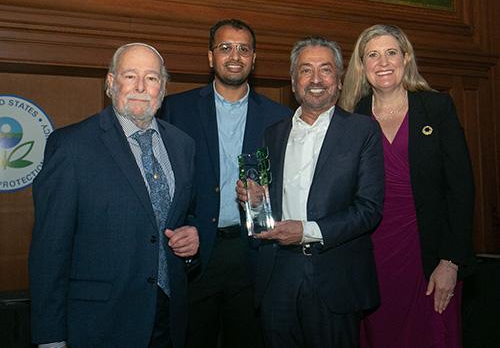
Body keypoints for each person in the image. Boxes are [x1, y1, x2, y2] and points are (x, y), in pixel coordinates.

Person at [29, 43, 199, 348]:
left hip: (168, 318)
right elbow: (49, 249)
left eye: (151, 78)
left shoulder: (183, 145)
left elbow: (184, 215)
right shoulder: (71, 147)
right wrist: (51, 337)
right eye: (130, 75)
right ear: (110, 83)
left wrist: (191, 235)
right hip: (100, 324)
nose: (140, 87)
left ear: (163, 87)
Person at [237, 36, 384, 348]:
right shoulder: (273, 134)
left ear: (340, 79)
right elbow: (268, 198)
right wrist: (255, 199)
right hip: (278, 274)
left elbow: (369, 208)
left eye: (326, 70)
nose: (316, 79)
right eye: (306, 70)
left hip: (335, 275)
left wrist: (306, 231)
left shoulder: (363, 131)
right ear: (293, 81)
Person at [339, 24, 476, 348]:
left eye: (391, 52)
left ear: (406, 58)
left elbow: (461, 189)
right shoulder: (351, 119)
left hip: (429, 258)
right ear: (362, 65)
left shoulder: (437, 108)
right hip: (371, 257)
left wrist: (450, 261)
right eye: (372, 54)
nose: (383, 62)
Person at [159, 19, 290, 348]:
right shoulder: (176, 109)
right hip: (196, 248)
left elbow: (291, 184)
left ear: (254, 59)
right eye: (225, 48)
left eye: (244, 49)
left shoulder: (279, 117)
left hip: (253, 252)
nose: (235, 55)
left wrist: (266, 198)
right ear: (210, 57)